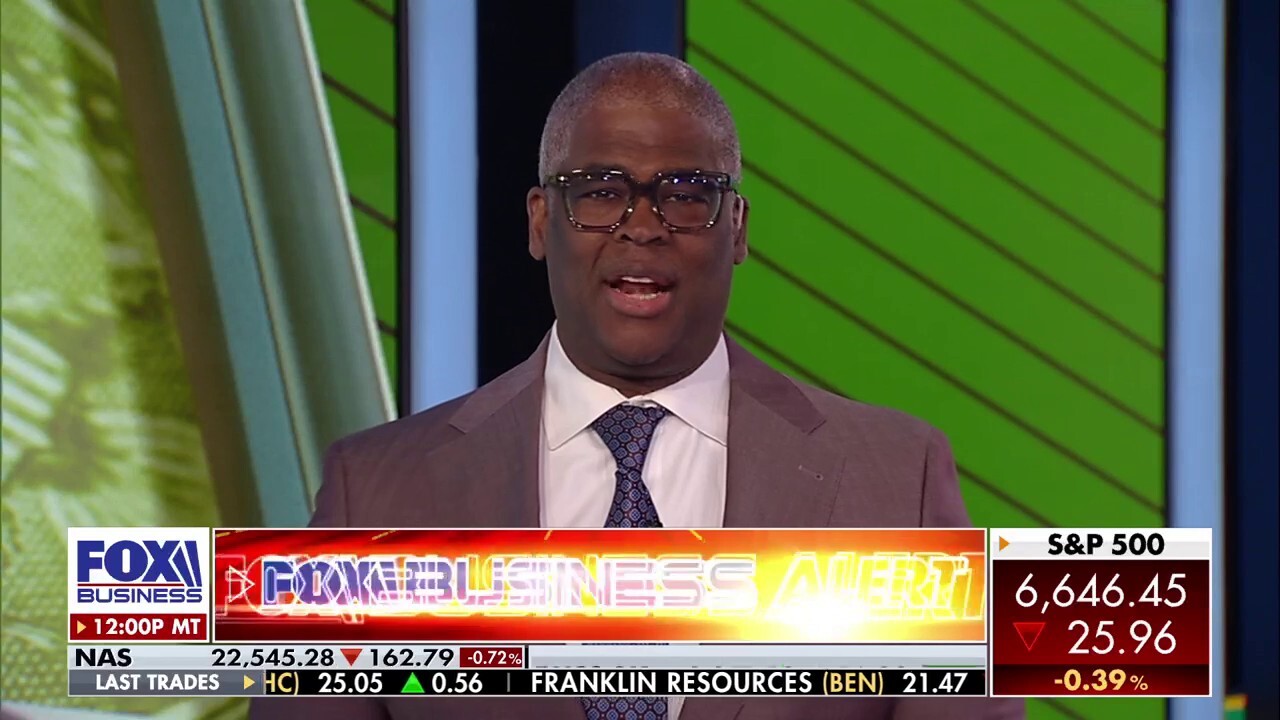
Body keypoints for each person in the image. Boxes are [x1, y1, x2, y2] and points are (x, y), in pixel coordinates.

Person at [252, 52, 1023, 720]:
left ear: (737, 226)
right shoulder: (376, 493)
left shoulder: (895, 482)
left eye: (686, 194)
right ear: (540, 221)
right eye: (599, 190)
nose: (644, 225)